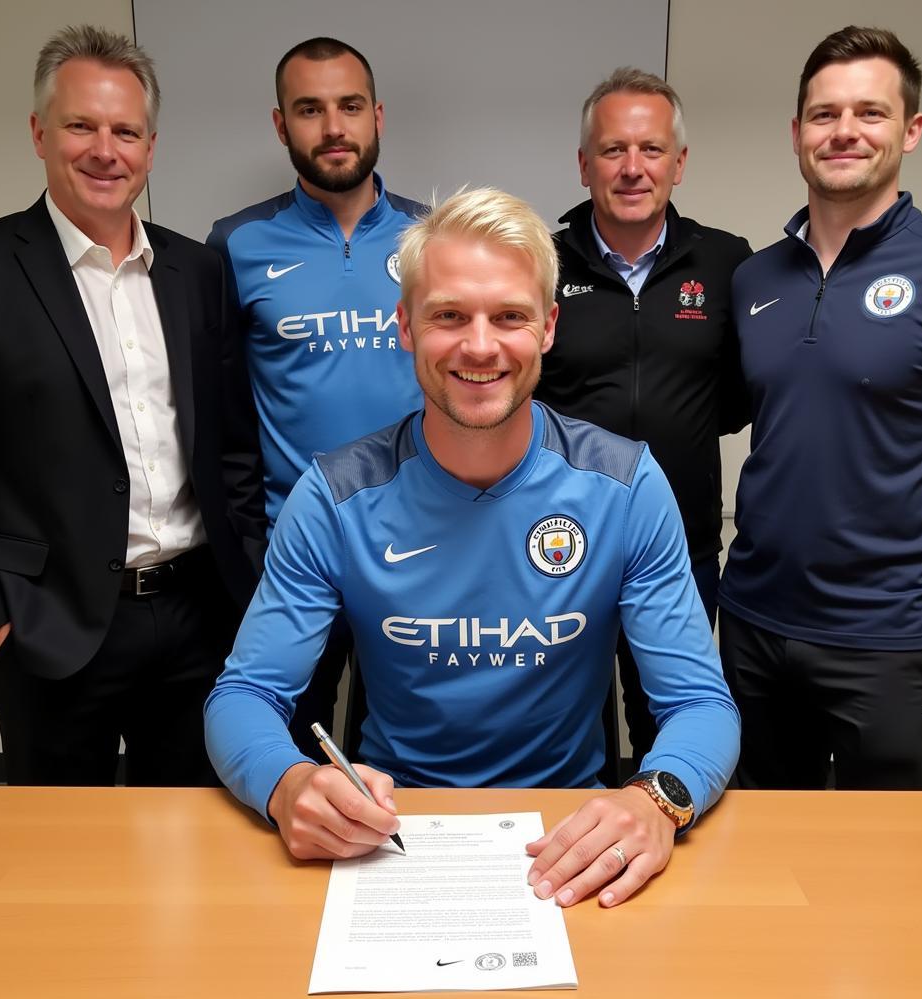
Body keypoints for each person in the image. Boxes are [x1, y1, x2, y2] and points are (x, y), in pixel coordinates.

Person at [205, 187, 740, 908]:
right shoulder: (334, 495)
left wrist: (656, 799)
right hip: (389, 839)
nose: (480, 345)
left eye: (510, 317)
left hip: (568, 838)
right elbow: (244, 695)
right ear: (404, 325)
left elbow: (701, 703)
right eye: (448, 316)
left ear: (549, 327)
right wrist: (286, 782)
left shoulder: (624, 484)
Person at [0, 25, 266, 786]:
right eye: (81, 126)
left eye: (125, 130)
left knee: (200, 846)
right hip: (49, 628)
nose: (106, 149)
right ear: (39, 133)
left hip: (198, 618)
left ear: (150, 147)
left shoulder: (197, 271)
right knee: (61, 866)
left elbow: (231, 447)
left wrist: (246, 587)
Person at [719, 26, 922, 789]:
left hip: (893, 642)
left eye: (870, 112)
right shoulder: (755, 278)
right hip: (756, 623)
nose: (844, 132)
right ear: (797, 132)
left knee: (892, 874)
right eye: (824, 114)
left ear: (912, 129)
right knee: (763, 860)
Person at [207, 37, 423, 759]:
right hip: (299, 551)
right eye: (310, 109)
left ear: (378, 116)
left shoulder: (435, 237)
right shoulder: (236, 246)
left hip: (425, 546)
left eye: (349, 106)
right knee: (287, 747)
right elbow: (222, 415)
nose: (333, 126)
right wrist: (247, 546)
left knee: (408, 753)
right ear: (281, 126)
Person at [535, 68, 751, 766]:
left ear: (678, 163)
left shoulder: (725, 262)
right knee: (567, 733)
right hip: (557, 546)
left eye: (651, 150)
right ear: (583, 163)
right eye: (613, 150)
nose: (633, 169)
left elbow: (736, 400)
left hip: (681, 543)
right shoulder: (539, 259)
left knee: (673, 725)